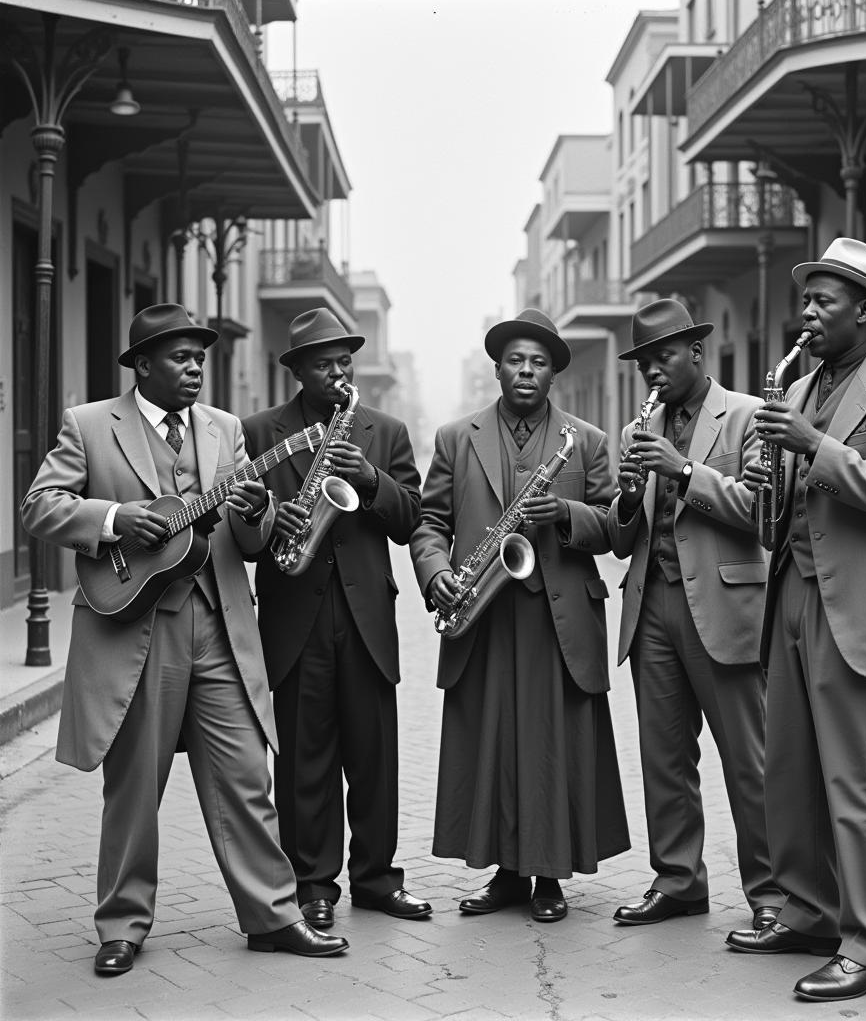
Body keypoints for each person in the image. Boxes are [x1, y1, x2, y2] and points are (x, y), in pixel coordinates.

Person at [21, 303, 348, 976]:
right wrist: (114, 517)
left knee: (247, 779)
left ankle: (273, 915)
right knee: (135, 787)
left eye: (201, 356)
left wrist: (255, 512)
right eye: (180, 356)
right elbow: (39, 505)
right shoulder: (89, 425)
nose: (196, 366)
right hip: (133, 627)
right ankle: (121, 924)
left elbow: (246, 538)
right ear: (143, 365)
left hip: (220, 625)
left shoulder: (226, 429)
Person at [725, 238, 866, 1002]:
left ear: (865, 309)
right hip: (793, 594)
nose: (808, 315)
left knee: (860, 786)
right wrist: (765, 480)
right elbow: (776, 518)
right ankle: (812, 912)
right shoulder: (795, 390)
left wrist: (813, 445)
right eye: (807, 300)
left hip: (861, 604)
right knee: (787, 773)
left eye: (824, 302)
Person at [410, 308, 630, 923]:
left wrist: (564, 513)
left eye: (537, 362)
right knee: (496, 744)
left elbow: (616, 528)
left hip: (557, 623)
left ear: (554, 373)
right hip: (483, 616)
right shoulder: (456, 437)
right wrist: (436, 575)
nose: (525, 371)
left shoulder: (585, 441)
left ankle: (549, 876)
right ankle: (506, 875)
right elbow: (430, 522)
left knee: (551, 748)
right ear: (498, 368)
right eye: (515, 360)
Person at [242, 308, 430, 930]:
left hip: (366, 616)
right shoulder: (260, 431)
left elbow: (411, 521)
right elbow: (243, 529)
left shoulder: (387, 431)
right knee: (305, 759)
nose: (337, 372)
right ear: (297, 370)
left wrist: (371, 479)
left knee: (374, 758)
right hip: (296, 614)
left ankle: (377, 880)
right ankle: (312, 884)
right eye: (323, 364)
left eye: (344, 361)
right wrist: (273, 527)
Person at [608, 298, 783, 932]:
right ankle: (678, 880)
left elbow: (759, 513)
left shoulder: (748, 416)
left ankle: (774, 894)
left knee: (750, 760)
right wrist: (628, 498)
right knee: (664, 757)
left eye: (664, 356)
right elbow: (622, 536)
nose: (653, 371)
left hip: (725, 605)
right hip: (651, 604)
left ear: (696, 353)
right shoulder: (636, 432)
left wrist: (682, 470)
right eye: (644, 362)